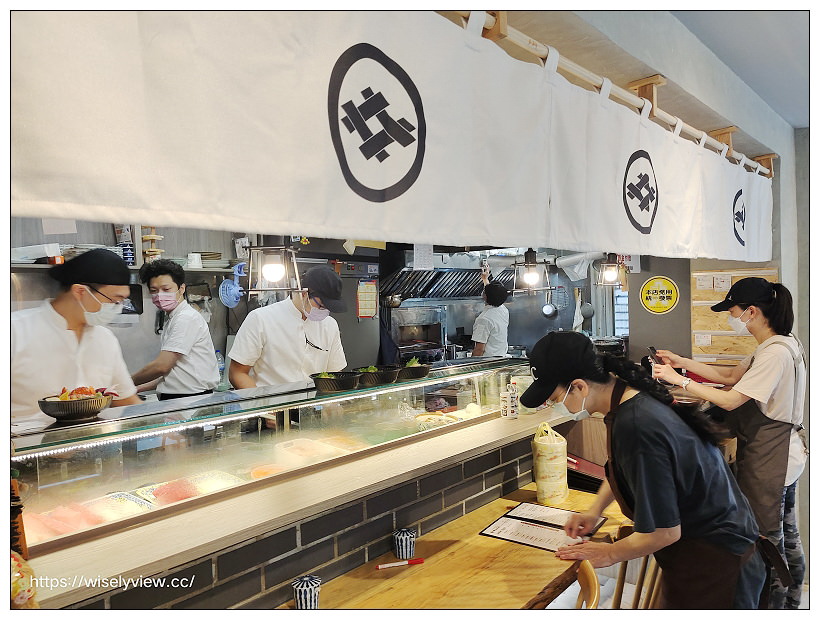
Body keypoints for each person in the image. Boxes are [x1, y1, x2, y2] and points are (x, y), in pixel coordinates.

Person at [520, 331, 767, 609]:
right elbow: (622, 469)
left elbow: (664, 532)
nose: (556, 406)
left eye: (554, 398)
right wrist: (594, 511)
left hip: (719, 566)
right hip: (706, 555)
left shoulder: (637, 425)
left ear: (579, 386)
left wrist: (610, 553)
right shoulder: (629, 401)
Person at [652, 277, 807, 609]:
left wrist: (678, 381)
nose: (731, 318)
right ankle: (794, 601)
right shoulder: (780, 343)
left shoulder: (774, 354)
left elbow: (732, 399)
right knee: (787, 536)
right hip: (785, 454)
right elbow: (728, 377)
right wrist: (683, 363)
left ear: (751, 312)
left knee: (769, 543)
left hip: (773, 457)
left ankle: (776, 607)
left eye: (733, 311)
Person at [11, 248, 141, 428]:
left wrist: (163, 432)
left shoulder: (105, 339)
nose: (118, 308)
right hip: (25, 450)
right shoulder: (14, 332)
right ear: (80, 292)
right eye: (115, 300)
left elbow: (127, 401)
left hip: (94, 449)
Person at [228, 265, 347, 388]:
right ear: (304, 293)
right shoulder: (261, 319)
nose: (325, 311)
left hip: (314, 404)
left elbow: (335, 373)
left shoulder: (330, 325)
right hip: (271, 403)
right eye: (322, 306)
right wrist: (259, 404)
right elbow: (237, 373)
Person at [130, 259, 220, 400]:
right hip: (182, 399)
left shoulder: (185, 318)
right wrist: (138, 388)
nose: (160, 295)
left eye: (166, 289)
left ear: (181, 289)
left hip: (189, 401)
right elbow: (174, 375)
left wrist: (126, 382)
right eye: (154, 291)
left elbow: (162, 366)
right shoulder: (173, 318)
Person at [471, 269, 509, 357]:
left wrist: (471, 367)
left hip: (487, 363)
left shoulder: (483, 319)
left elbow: (480, 349)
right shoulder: (503, 310)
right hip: (501, 358)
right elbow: (493, 294)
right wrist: (485, 279)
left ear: (485, 296)